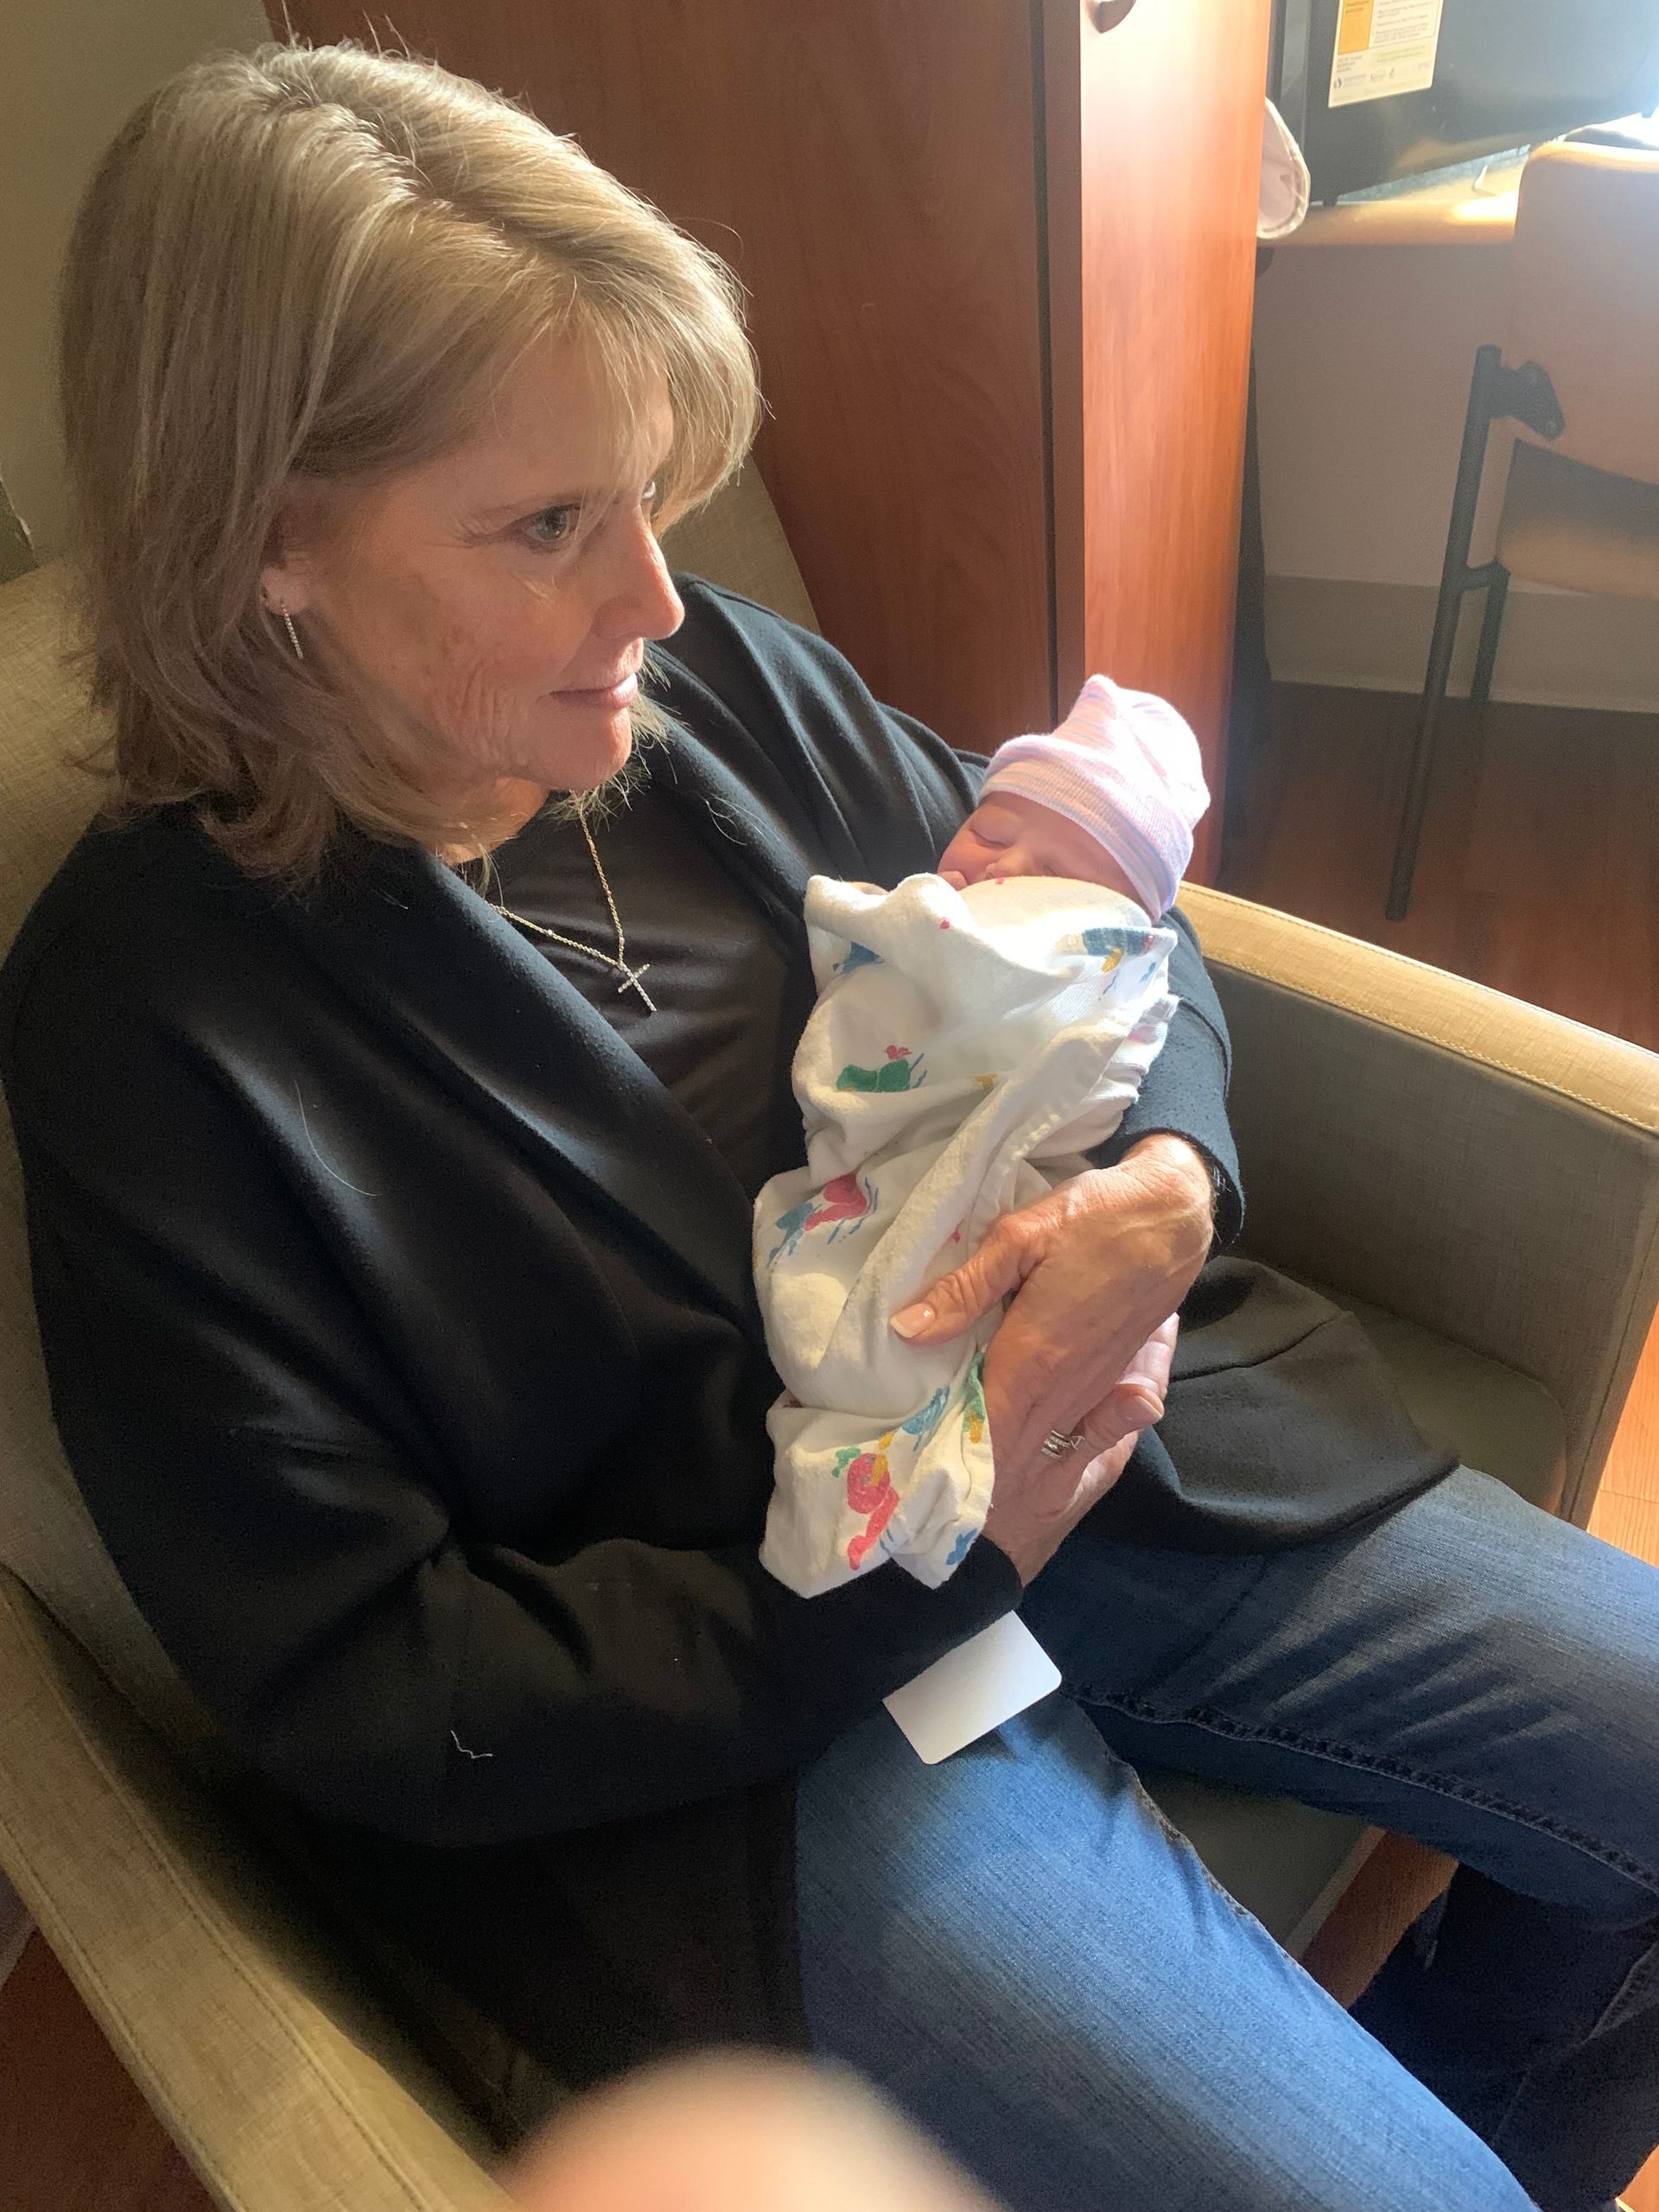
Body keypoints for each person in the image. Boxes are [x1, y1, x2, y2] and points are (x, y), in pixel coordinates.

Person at [2, 40, 1656, 2212]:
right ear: (270, 543)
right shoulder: (150, 1038)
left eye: (652, 498)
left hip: (1143, 1465)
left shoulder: (715, 701)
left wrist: (1167, 1179)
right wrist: (912, 1573)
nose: (656, 606)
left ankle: (1456, 2096)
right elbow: (371, 1679)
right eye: (546, 527)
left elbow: (1090, 942)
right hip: (762, 1714)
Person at [757, 677, 1207, 1594]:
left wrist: (1181, 1165)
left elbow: (1161, 945)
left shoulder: (767, 682)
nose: (1001, 876)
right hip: (883, 1181)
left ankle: (891, 1480)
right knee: (853, 1327)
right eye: (994, 836)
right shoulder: (938, 891)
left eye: (1054, 881)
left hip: (1074, 1242)